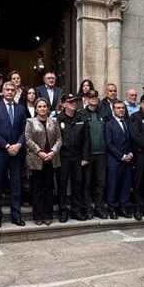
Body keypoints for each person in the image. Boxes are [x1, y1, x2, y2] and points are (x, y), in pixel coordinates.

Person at [0, 82, 27, 227]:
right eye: (7, 90)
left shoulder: (21, 109)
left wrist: (18, 144)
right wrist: (6, 145)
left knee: (16, 184)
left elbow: (25, 129)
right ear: (3, 92)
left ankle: (16, 215)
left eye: (13, 90)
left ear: (16, 91)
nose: (10, 92)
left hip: (17, 152)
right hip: (0, 152)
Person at [25, 98, 62, 225]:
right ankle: (38, 216)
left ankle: (48, 215)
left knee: (48, 188)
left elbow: (59, 139)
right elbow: (28, 139)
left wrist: (52, 152)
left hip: (51, 159)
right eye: (39, 106)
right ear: (36, 109)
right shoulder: (30, 122)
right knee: (37, 189)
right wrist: (39, 152)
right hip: (36, 159)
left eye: (44, 106)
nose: (42, 109)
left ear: (47, 108)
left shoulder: (54, 121)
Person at [56, 93, 90, 222]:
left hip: (77, 156)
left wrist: (85, 157)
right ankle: (63, 211)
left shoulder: (82, 118)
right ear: (63, 104)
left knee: (78, 184)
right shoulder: (58, 119)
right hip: (63, 157)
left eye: (75, 101)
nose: (73, 104)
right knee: (62, 185)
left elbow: (87, 139)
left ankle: (76, 210)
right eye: (70, 102)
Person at [81, 90, 109, 219]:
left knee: (100, 182)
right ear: (86, 99)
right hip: (88, 154)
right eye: (90, 97)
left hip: (102, 154)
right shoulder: (81, 114)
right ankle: (87, 208)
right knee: (86, 183)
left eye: (95, 97)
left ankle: (99, 207)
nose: (93, 99)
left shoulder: (104, 113)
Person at [105, 101, 133, 219]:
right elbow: (109, 143)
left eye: (122, 108)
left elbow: (132, 140)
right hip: (114, 160)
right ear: (113, 110)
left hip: (127, 160)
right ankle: (112, 209)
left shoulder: (127, 123)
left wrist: (131, 153)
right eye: (118, 108)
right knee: (113, 185)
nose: (121, 110)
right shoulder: (109, 124)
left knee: (125, 185)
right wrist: (121, 156)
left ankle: (123, 207)